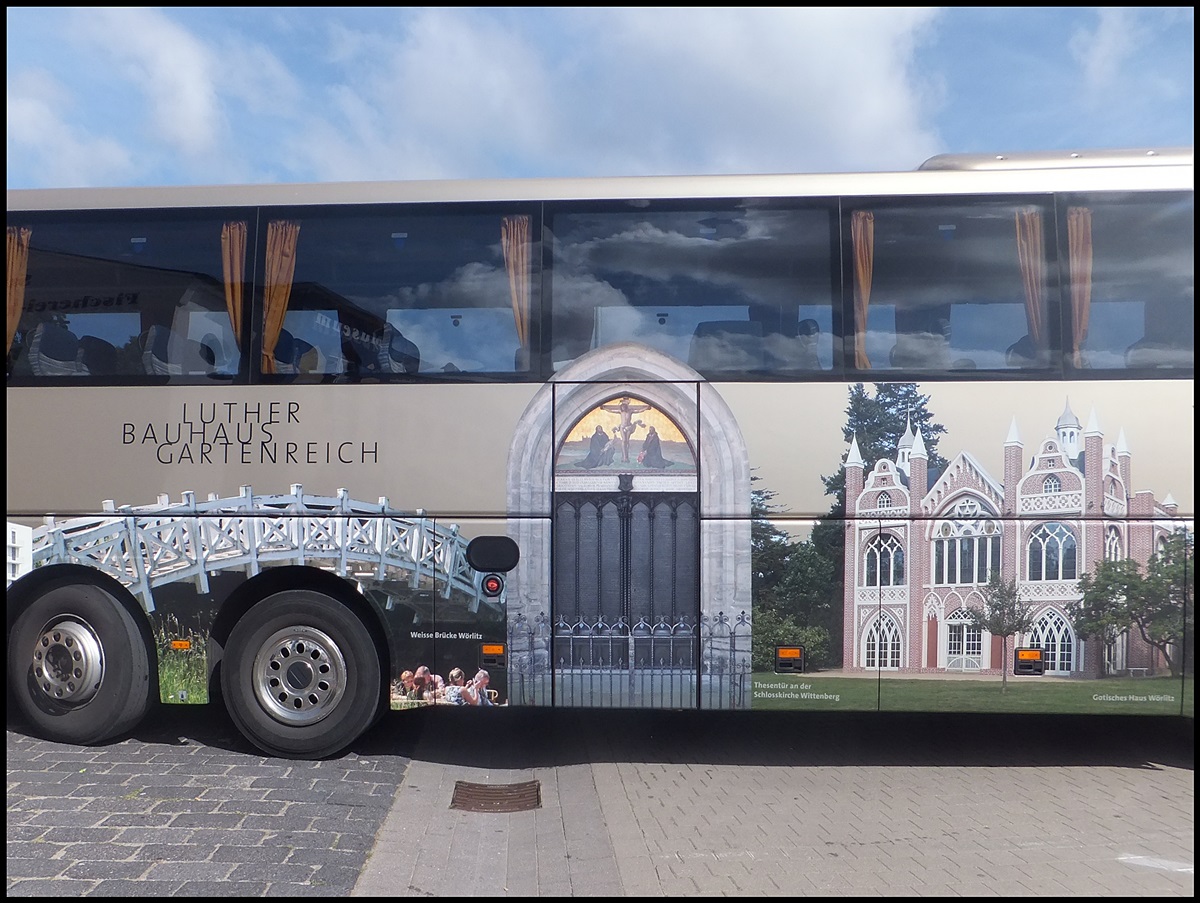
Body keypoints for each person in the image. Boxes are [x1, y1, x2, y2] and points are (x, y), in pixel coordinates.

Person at [600, 397, 651, 462]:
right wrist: (604, 408)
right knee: (624, 441)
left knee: (626, 441)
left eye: (624, 407)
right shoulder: (620, 412)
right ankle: (624, 456)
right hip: (622, 427)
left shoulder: (630, 411)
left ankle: (626, 457)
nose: (623, 408)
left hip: (629, 427)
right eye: (622, 407)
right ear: (621, 407)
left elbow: (638, 411)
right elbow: (612, 411)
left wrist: (646, 408)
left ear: (626, 407)